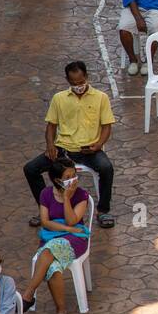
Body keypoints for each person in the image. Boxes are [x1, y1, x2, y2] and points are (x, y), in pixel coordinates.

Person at [22, 61, 115, 235]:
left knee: (106, 168)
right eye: (73, 83)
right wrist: (50, 145)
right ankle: (46, 207)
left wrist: (98, 145)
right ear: (67, 80)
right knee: (31, 169)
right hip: (63, 149)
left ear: (86, 77)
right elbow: (51, 126)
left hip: (89, 150)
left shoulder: (101, 97)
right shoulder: (59, 98)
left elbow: (107, 126)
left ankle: (103, 211)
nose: (78, 86)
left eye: (80, 82)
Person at [25, 158, 90, 314]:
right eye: (68, 177)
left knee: (48, 251)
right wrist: (67, 228)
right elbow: (45, 222)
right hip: (53, 236)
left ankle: (28, 294)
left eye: (74, 175)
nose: (73, 179)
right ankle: (61, 311)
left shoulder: (81, 194)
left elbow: (73, 219)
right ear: (57, 180)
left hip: (75, 240)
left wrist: (67, 198)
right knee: (52, 266)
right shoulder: (46, 194)